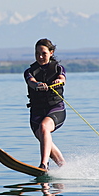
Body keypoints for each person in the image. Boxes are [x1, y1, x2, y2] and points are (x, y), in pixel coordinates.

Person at [24, 38, 66, 171]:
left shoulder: (58, 68)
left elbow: (62, 78)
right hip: (36, 112)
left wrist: (58, 81)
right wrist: (37, 85)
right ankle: (64, 168)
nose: (40, 57)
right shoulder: (30, 71)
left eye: (43, 53)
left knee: (44, 128)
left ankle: (43, 164)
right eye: (37, 54)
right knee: (45, 139)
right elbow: (30, 81)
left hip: (55, 109)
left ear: (51, 53)